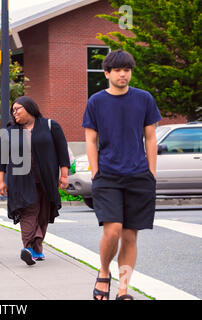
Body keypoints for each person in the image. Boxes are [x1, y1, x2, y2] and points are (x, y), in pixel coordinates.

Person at [82, 50, 161, 300]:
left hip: (139, 176)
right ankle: (104, 271)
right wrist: (96, 172)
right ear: (107, 74)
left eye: (126, 70)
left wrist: (151, 172)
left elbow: (150, 137)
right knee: (113, 230)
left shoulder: (144, 99)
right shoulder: (96, 101)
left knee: (129, 235)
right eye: (117, 70)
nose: (123, 74)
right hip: (108, 175)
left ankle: (124, 289)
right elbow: (90, 139)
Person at [0, 96, 70, 266]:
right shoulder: (10, 131)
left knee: (43, 213)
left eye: (18, 109)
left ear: (30, 108)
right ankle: (28, 248)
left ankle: (37, 248)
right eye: (13, 110)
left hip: (46, 178)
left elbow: (62, 152)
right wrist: (1, 181)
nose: (14, 113)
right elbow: (2, 159)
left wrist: (64, 175)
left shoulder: (50, 126)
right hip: (20, 180)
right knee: (28, 211)